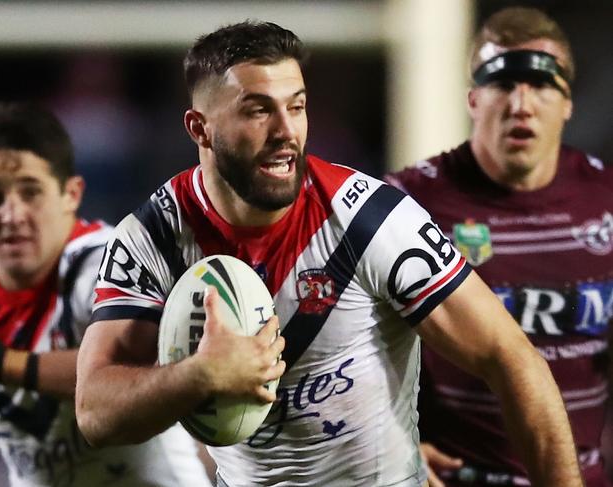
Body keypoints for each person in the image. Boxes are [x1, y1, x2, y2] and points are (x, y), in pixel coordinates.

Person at [75, 21, 584, 487]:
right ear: (200, 129)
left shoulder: (370, 220)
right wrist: (199, 375)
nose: (285, 132)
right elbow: (95, 414)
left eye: (295, 106)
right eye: (258, 110)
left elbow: (512, 358)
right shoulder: (154, 237)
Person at [385, 7, 613, 487]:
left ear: (568, 102)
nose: (521, 104)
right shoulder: (407, 203)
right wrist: (387, 443)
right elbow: (344, 337)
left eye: (542, 85)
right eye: (503, 84)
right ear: (473, 99)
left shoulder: (605, 200)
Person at [0, 101, 213, 487]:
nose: (11, 215)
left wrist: (0, 365)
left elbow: (148, 365)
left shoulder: (108, 264)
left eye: (30, 193)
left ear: (71, 195)